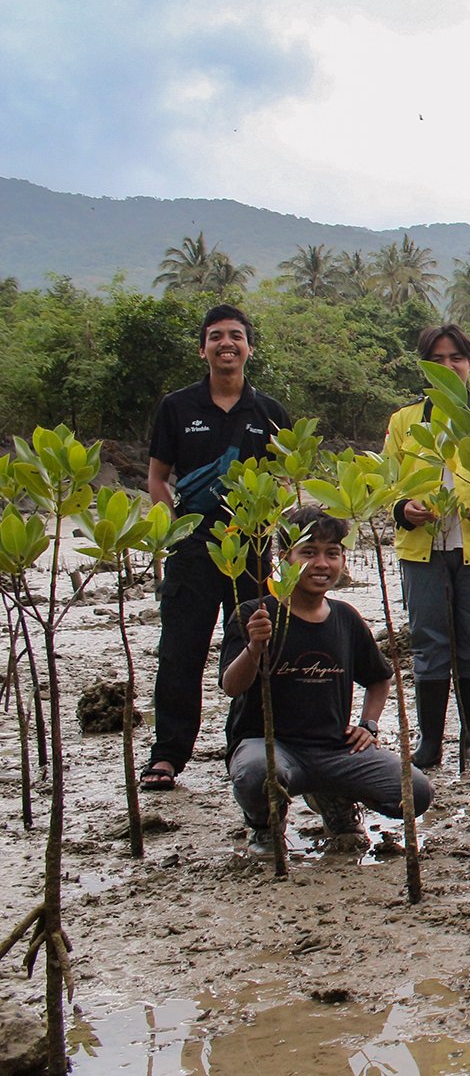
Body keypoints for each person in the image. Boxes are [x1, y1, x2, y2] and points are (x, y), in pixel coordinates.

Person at [220, 508, 431, 856]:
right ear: (285, 559)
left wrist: (369, 725)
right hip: (270, 745)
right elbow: (232, 686)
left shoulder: (345, 617)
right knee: (258, 774)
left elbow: (379, 679)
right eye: (308, 552)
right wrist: (256, 646)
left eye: (332, 553)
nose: (322, 564)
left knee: (415, 792)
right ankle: (264, 826)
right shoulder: (255, 613)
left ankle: (334, 799)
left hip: (333, 748)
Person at [141, 304, 291, 792]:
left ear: (249, 347)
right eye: (216, 337)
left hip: (249, 549)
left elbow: (285, 481)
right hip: (192, 552)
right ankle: (167, 754)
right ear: (203, 348)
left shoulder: (268, 413)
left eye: (236, 336)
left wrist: (267, 527)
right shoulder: (177, 407)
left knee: (253, 646)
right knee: (180, 651)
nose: (226, 344)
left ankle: (244, 745)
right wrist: (177, 529)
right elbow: (157, 478)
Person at [383, 324, 470, 772]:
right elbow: (387, 480)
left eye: (457, 358)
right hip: (421, 546)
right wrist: (402, 507)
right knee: (428, 641)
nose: (449, 366)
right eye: (438, 359)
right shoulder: (404, 421)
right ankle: (430, 742)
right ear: (425, 368)